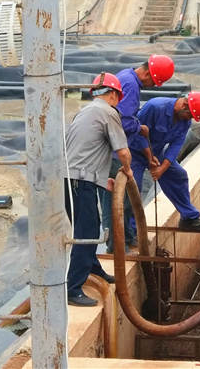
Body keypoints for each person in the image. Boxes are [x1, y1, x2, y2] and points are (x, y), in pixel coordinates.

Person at [64, 72, 134, 307]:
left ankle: (93, 269)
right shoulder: (108, 112)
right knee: (86, 232)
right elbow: (122, 151)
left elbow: (85, 152)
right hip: (79, 182)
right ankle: (73, 288)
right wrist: (128, 172)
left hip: (72, 179)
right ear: (113, 94)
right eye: (118, 98)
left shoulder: (86, 110)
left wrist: (103, 181)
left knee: (88, 227)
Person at [102, 54, 175, 253]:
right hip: (112, 151)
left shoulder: (128, 78)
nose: (153, 86)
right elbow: (124, 121)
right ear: (146, 73)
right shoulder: (131, 84)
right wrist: (139, 127)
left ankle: (127, 238)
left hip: (116, 148)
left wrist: (148, 154)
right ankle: (116, 247)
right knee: (115, 200)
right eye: (154, 81)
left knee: (124, 200)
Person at [131, 91, 200, 231]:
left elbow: (175, 146)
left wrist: (162, 168)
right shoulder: (155, 107)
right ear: (184, 105)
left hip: (156, 152)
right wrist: (149, 156)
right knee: (133, 187)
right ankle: (131, 231)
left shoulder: (185, 121)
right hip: (134, 151)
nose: (189, 119)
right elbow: (136, 133)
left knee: (178, 175)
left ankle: (189, 218)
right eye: (190, 114)